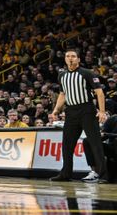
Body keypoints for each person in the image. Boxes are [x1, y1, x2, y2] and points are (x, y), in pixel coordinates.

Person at [48, 47, 108, 182]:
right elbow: (63, 94)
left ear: (78, 59)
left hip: (87, 110)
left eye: (73, 56)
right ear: (65, 59)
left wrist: (102, 111)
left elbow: (99, 92)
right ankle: (65, 174)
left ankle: (103, 175)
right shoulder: (62, 75)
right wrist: (56, 110)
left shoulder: (87, 73)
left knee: (95, 143)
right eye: (68, 56)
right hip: (71, 112)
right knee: (67, 145)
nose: (70, 58)